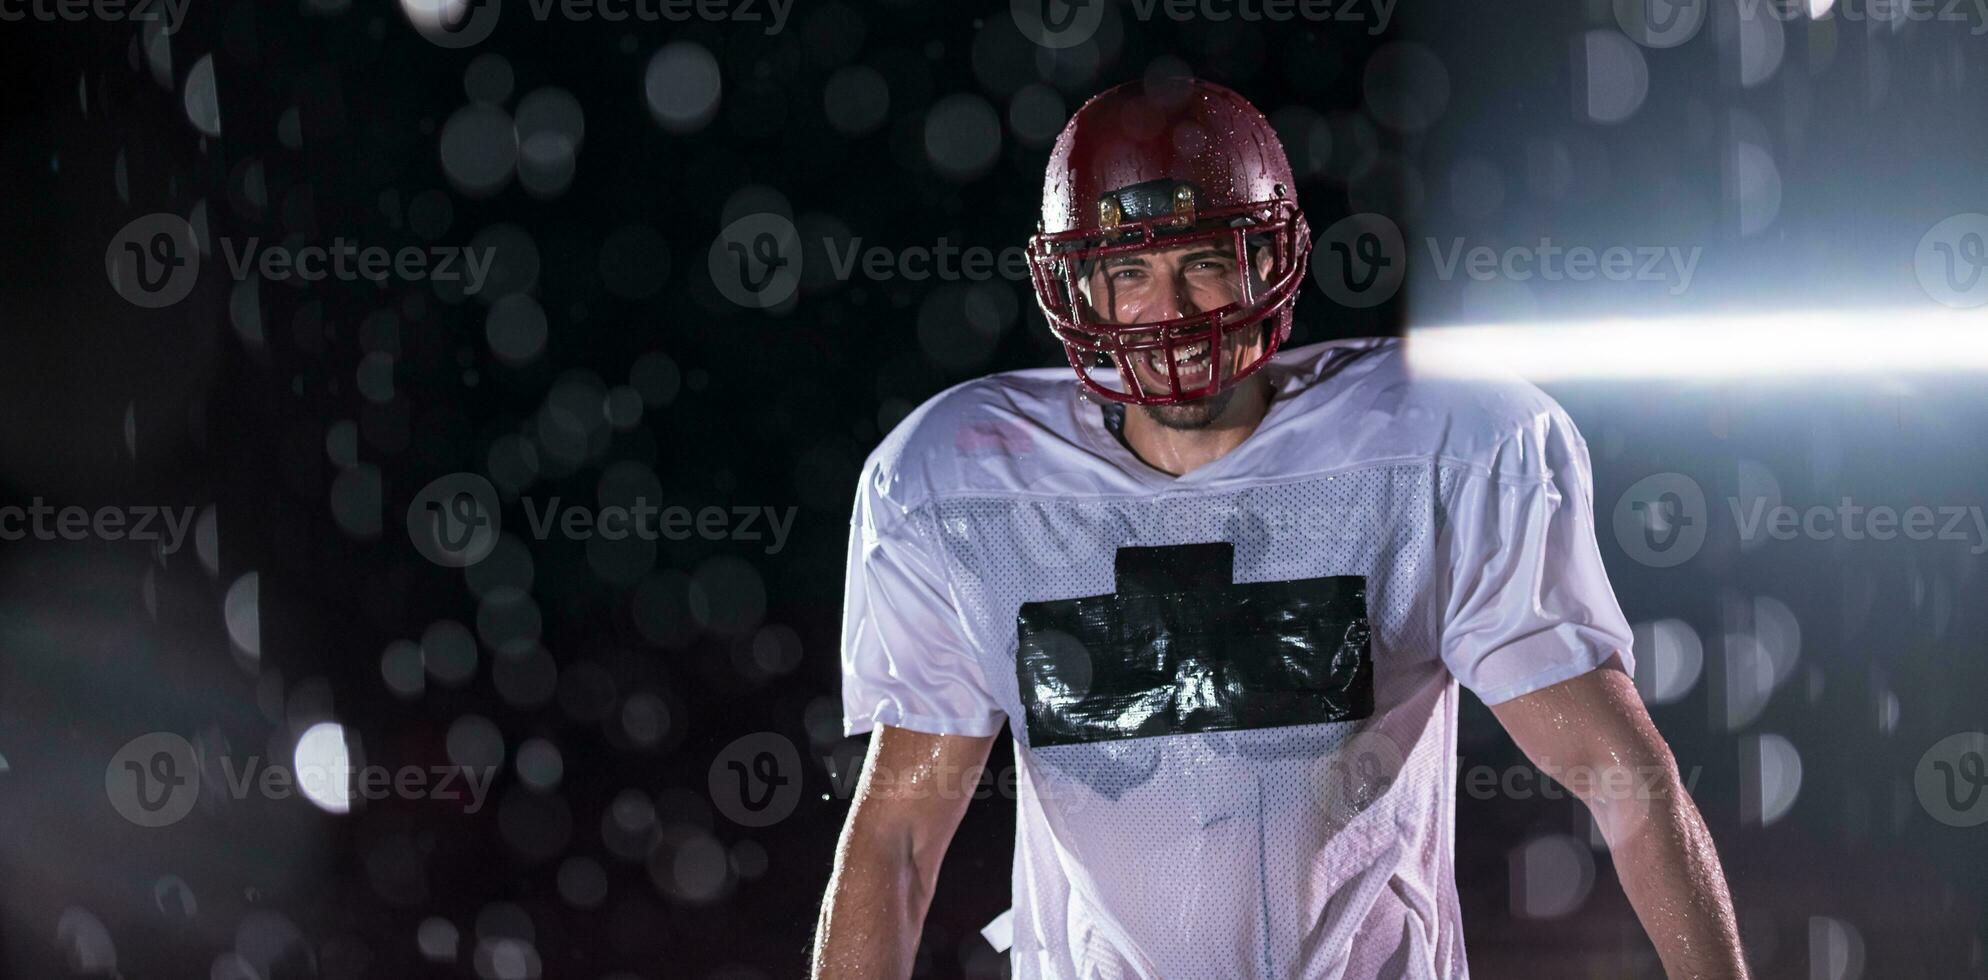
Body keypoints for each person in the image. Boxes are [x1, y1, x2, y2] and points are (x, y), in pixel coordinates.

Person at [813, 76, 1747, 979]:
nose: (1169, 313)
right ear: (1076, 290)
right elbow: (895, 843)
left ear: (1270, 263)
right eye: (1128, 272)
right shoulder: (962, 488)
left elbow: (1620, 773)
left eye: (1204, 262)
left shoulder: (1438, 453)